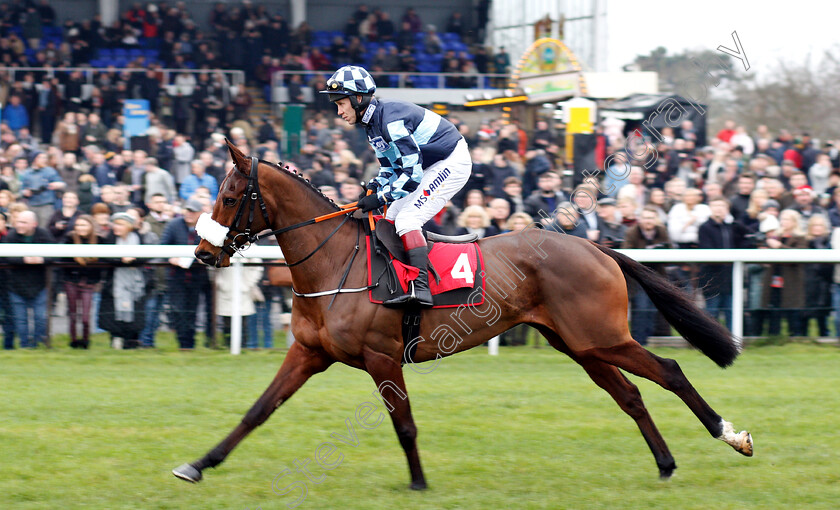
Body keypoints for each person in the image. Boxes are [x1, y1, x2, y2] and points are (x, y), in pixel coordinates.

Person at [321, 65, 471, 307]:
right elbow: (390, 169)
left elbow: (411, 174)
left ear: (358, 99)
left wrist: (379, 198)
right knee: (391, 217)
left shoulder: (391, 120)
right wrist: (374, 187)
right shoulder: (371, 125)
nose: (338, 111)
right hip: (429, 164)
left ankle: (421, 288)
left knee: (407, 220)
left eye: (341, 104)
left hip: (451, 161)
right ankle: (399, 280)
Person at [159, 198, 211, 349]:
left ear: (200, 213)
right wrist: (171, 258)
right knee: (178, 310)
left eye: (193, 211)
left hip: (197, 276)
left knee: (192, 311)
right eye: (187, 210)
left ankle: (191, 342)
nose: (189, 214)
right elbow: (163, 245)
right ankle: (183, 342)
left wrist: (205, 258)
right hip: (177, 277)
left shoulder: (205, 228)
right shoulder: (174, 225)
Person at [2, 210, 56, 348]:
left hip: (40, 284)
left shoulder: (43, 235)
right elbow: (6, 256)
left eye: (24, 222)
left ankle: (37, 344)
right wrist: (23, 260)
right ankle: (24, 345)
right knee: (20, 320)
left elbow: (55, 254)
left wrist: (41, 259)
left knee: (40, 318)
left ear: (34, 224)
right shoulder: (11, 236)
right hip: (16, 285)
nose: (19, 225)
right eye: (18, 222)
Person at [697, 197, 751, 329]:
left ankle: (732, 341)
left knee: (731, 310)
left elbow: (746, 240)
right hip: (712, 277)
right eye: (715, 205)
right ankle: (711, 340)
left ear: (727, 210)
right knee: (712, 311)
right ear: (710, 208)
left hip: (729, 277)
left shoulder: (731, 227)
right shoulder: (705, 227)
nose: (719, 209)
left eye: (722, 206)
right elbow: (707, 250)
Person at [622, 206, 671, 345]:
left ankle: (647, 341)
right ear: (639, 220)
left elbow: (670, 251)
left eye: (650, 218)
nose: (648, 221)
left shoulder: (662, 231)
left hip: (656, 277)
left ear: (655, 220)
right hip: (637, 277)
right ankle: (638, 342)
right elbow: (626, 254)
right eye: (645, 218)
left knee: (652, 309)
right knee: (641, 308)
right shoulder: (631, 232)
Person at [99, 212, 146, 349]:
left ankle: (132, 342)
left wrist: (133, 259)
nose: (116, 227)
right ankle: (116, 341)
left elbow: (146, 257)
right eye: (115, 224)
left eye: (120, 224)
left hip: (135, 284)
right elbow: (104, 256)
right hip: (114, 284)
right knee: (113, 315)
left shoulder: (139, 238)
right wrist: (120, 260)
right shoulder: (109, 238)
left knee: (135, 314)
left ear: (129, 226)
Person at [62, 215, 103, 349]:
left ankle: (86, 341)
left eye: (84, 225)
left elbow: (103, 261)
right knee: (73, 313)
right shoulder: (69, 239)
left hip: (89, 282)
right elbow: (62, 258)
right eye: (78, 225)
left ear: (91, 226)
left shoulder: (100, 240)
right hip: (72, 280)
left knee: (85, 316)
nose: (80, 228)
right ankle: (73, 340)